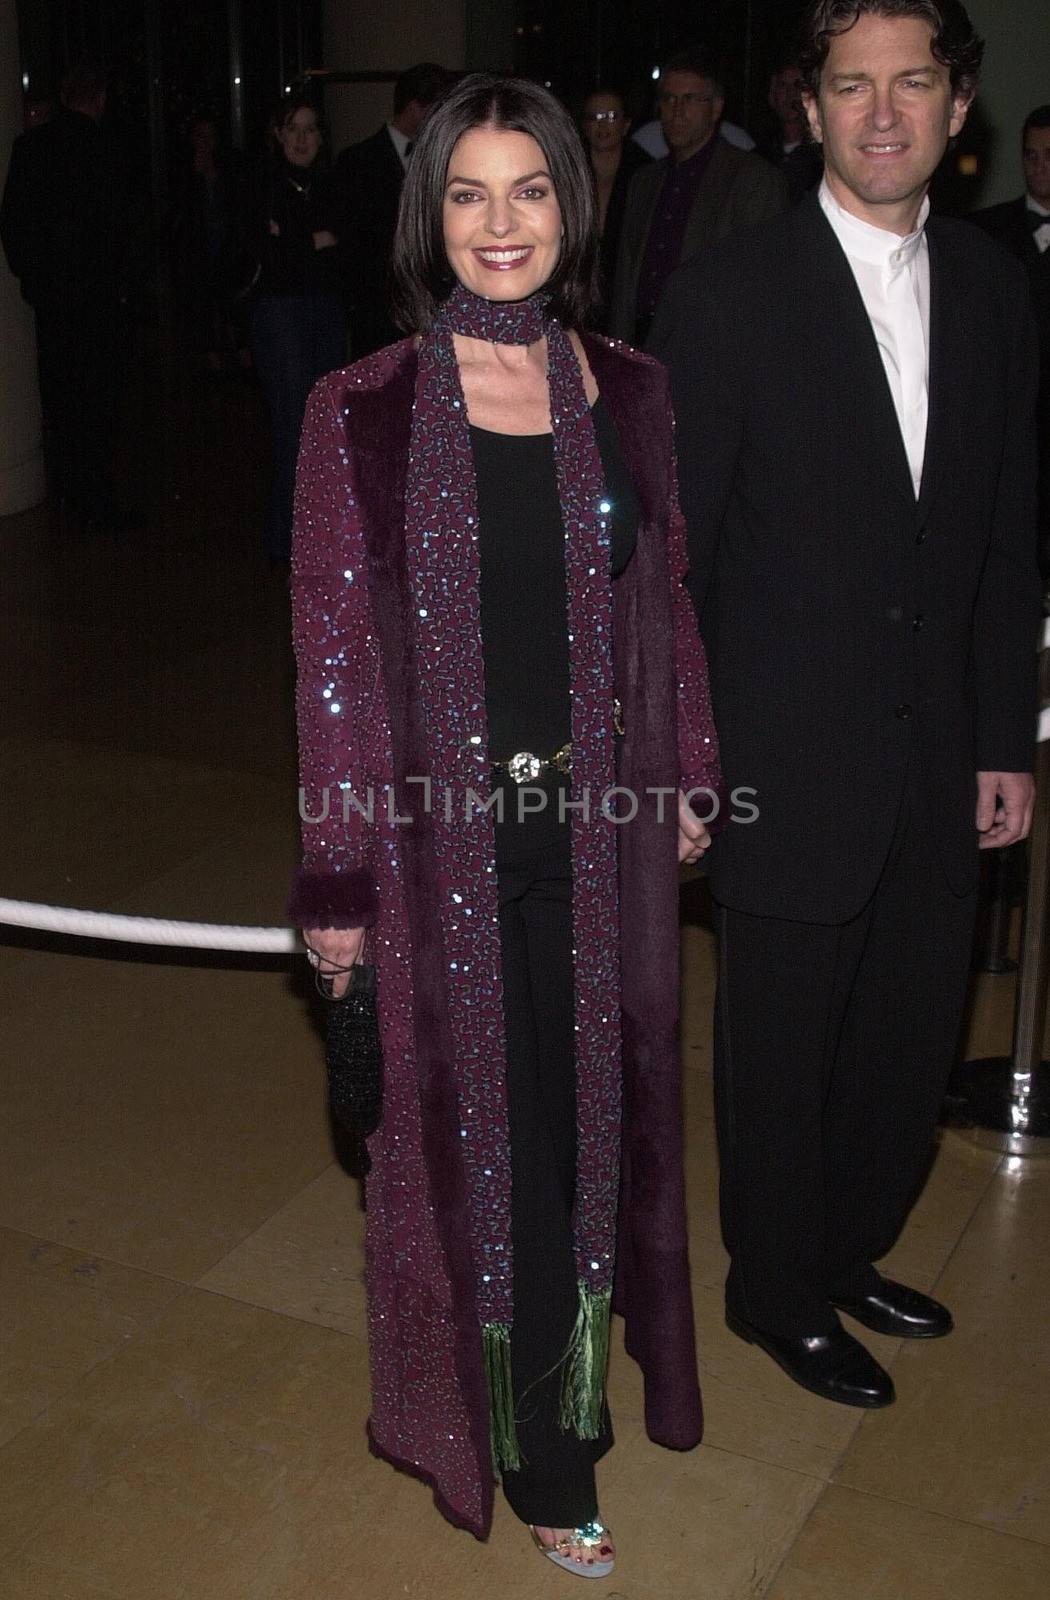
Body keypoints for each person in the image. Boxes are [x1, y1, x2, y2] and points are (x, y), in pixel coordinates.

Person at [289, 72, 722, 1571]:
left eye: (526, 189)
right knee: (497, 1149)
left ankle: (577, 1397)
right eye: (466, 192)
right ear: (430, 213)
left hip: (595, 845)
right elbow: (334, 666)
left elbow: (662, 605)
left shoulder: (629, 388)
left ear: (568, 203)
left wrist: (682, 775)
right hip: (440, 853)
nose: (499, 222)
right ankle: (542, 1453)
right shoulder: (361, 411)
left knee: (596, 1131)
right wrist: (337, 875)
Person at [651, 0, 1040, 1411]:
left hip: (938, 751)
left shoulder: (997, 293)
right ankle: (773, 1289)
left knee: (904, 1025)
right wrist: (679, 757)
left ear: (956, 108)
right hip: (778, 748)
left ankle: (851, 1247)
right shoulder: (725, 295)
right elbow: (668, 554)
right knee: (781, 1043)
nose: (883, 112)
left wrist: (1003, 737)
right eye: (851, 85)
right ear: (808, 107)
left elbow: (1002, 537)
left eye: (912, 83)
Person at [1, 63, 131, 531]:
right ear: (98, 99)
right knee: (97, 401)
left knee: (60, 397)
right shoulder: (107, 150)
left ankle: (67, 498)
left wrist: (37, 281)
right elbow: (124, 231)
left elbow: (14, 227)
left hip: (55, 301)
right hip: (97, 299)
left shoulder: (32, 149)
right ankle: (95, 500)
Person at [609, 48, 788, 345]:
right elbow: (625, 280)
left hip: (712, 348)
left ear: (716, 108)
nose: (677, 111)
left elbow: (766, 287)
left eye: (690, 99)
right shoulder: (644, 181)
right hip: (644, 345)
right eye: (669, 99)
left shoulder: (751, 179)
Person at [250, 95, 346, 565]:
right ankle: (285, 543)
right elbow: (269, 258)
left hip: (325, 311)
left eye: (310, 129)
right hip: (281, 316)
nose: (302, 138)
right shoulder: (264, 186)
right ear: (278, 135)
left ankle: (317, 538)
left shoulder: (331, 185)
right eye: (293, 129)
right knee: (292, 424)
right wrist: (312, 241)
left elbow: (343, 248)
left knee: (325, 427)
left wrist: (292, 240)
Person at [969, 106, 1050, 574]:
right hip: (1010, 407)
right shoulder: (987, 232)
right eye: (1031, 156)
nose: (1040, 168)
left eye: (1049, 156)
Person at [334, 62, 452, 357]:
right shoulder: (357, 161)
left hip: (431, 307)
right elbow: (352, 243)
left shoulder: (445, 159)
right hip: (377, 309)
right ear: (415, 108)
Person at [168, 113, 253, 376]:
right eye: (199, 136)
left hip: (228, 245)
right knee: (203, 299)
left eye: (209, 136)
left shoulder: (231, 167)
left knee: (232, 299)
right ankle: (211, 354)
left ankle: (242, 350)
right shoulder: (184, 170)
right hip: (199, 247)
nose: (205, 143)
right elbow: (177, 210)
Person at [580, 87, 651, 328]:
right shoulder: (569, 168)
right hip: (578, 284)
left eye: (611, 116)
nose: (603, 125)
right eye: (595, 117)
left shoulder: (645, 171)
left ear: (626, 124)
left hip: (626, 286)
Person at [756, 57, 825, 202]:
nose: (791, 94)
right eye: (782, 85)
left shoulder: (823, 157)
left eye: (798, 85)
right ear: (772, 94)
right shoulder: (759, 157)